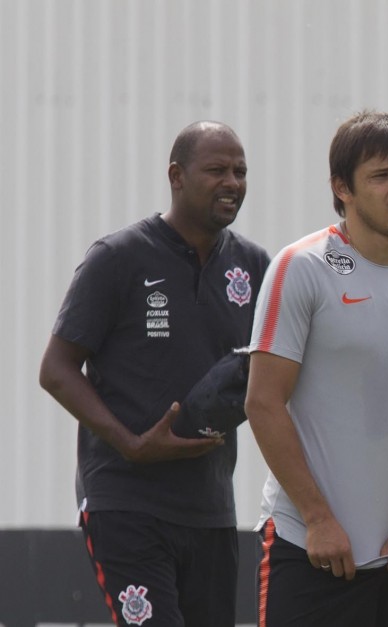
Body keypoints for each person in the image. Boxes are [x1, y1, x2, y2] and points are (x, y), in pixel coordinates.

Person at [38, 121, 270, 627]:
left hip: (211, 508)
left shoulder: (254, 267)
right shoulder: (118, 258)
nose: (232, 182)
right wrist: (130, 443)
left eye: (241, 171)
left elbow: (272, 378)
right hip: (126, 500)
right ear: (177, 176)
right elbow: (56, 369)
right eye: (217, 170)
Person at [245, 110, 388, 627]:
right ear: (341, 188)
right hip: (309, 548)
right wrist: (319, 518)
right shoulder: (300, 267)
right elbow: (263, 402)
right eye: (382, 175)